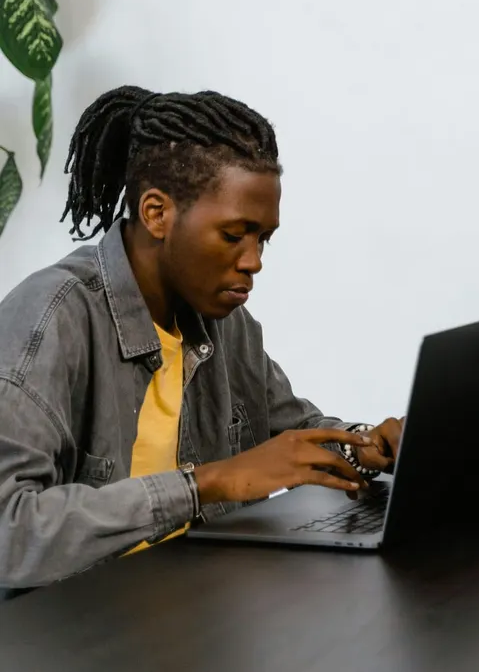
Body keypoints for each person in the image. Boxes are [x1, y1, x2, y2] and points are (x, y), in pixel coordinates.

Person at [0, 86, 404, 592]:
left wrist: (363, 445)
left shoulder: (225, 320)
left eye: (264, 239)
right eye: (235, 235)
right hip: (77, 638)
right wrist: (205, 483)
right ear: (156, 213)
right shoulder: (52, 317)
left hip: (197, 616)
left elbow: (288, 433)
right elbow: (8, 531)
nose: (254, 261)